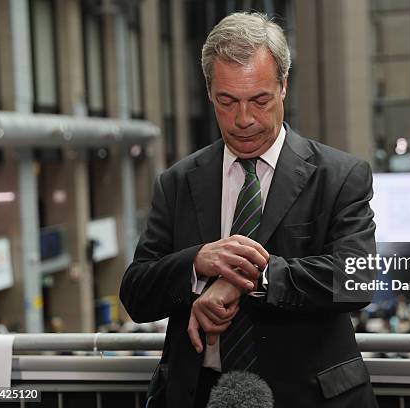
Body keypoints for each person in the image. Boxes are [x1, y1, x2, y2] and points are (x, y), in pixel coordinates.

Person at [120, 12, 378, 408]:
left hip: (310, 398)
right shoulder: (176, 182)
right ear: (209, 93)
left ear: (284, 86)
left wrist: (251, 278)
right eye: (227, 101)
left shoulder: (340, 175)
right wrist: (198, 263)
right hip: (199, 395)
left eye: (260, 100)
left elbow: (356, 279)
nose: (244, 120)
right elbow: (136, 293)